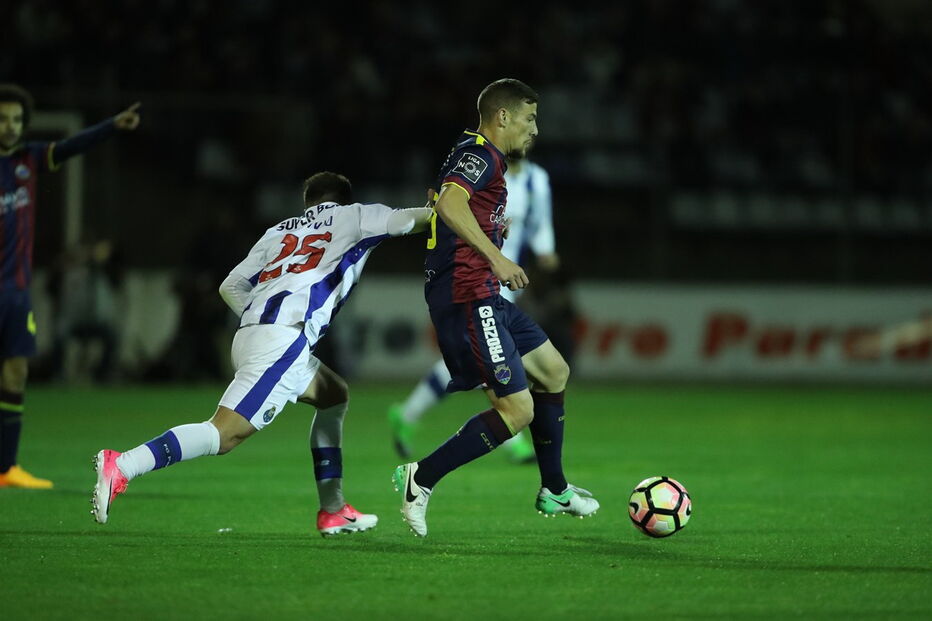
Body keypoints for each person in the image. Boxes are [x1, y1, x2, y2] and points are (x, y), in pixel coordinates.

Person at [91, 172, 432, 536]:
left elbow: (230, 286)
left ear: (308, 203)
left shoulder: (279, 231)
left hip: (253, 335)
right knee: (223, 435)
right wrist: (439, 205)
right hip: (281, 342)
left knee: (334, 395)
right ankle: (123, 465)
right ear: (344, 200)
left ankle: (333, 510)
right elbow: (412, 220)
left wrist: (261, 318)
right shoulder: (357, 215)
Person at [393, 79, 599, 537]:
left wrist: (490, 241)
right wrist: (497, 257)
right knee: (517, 411)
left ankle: (555, 489)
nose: (535, 129)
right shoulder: (480, 155)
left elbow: (444, 202)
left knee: (554, 371)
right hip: (468, 295)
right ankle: (420, 478)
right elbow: (450, 204)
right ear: (503, 116)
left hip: (484, 293)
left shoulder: (478, 154)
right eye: (530, 118)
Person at [0, 84, 140, 489]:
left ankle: (7, 468)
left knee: (15, 373)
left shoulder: (28, 159)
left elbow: (69, 147)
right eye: (3, 119)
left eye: (16, 119)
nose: (10, 126)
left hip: (15, 293)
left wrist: (112, 126)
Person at [387, 153, 559, 464]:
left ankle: (408, 413)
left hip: (507, 280)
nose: (529, 134)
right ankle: (513, 438)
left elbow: (540, 223)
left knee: (481, 360)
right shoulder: (483, 171)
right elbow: (452, 209)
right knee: (491, 361)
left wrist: (546, 250)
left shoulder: (537, 180)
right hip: (478, 280)